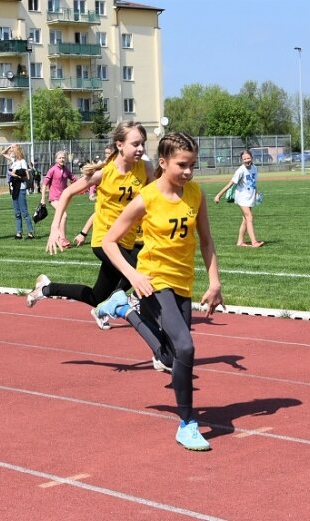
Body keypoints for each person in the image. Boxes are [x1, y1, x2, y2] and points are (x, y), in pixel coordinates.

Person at [98, 132, 224, 451]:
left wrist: (214, 282)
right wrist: (132, 274)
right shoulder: (147, 197)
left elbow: (206, 242)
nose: (188, 172)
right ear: (164, 162)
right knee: (186, 348)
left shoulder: (195, 195)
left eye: (193, 165)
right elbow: (109, 241)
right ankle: (188, 423)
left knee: (169, 356)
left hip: (183, 282)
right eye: (182, 165)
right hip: (153, 280)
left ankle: (123, 310)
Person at [26, 121, 156, 330]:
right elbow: (67, 192)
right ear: (120, 145)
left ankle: (46, 288)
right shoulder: (104, 173)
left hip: (129, 239)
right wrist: (55, 228)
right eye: (136, 144)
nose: (141, 149)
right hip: (105, 240)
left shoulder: (146, 168)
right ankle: (133, 305)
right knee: (140, 269)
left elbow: (155, 198)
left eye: (143, 144)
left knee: (97, 296)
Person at [214, 150, 264, 248]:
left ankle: (240, 242)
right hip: (242, 197)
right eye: (244, 159)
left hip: (250, 197)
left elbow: (253, 183)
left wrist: (256, 193)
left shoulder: (254, 168)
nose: (246, 160)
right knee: (249, 217)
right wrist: (219, 195)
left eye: (248, 158)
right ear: (241, 160)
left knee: (245, 220)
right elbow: (230, 183)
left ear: (252, 158)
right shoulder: (241, 170)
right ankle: (254, 242)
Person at [41, 151, 77, 249]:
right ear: (56, 159)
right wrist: (43, 199)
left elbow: (74, 179)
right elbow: (44, 184)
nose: (62, 159)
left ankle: (57, 236)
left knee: (60, 217)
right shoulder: (52, 170)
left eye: (63, 158)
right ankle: (62, 239)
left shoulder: (66, 170)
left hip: (63, 198)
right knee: (64, 216)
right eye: (60, 158)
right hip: (54, 198)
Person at [3, 144, 34, 240]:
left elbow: (27, 177)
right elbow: (3, 153)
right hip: (14, 188)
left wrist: (16, 175)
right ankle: (19, 233)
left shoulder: (22, 161)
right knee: (17, 213)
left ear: (18, 151)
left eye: (13, 149)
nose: (11, 151)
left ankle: (30, 233)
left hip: (21, 188)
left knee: (24, 212)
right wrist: (9, 146)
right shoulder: (14, 161)